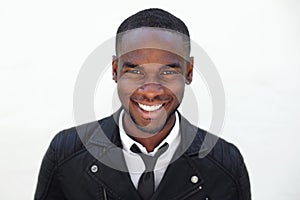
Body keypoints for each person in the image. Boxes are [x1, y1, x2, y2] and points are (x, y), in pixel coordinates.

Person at [34, 8, 251, 200]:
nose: (150, 91)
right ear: (115, 70)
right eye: (135, 71)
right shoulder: (65, 155)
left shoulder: (226, 165)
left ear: (189, 72)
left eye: (168, 71)